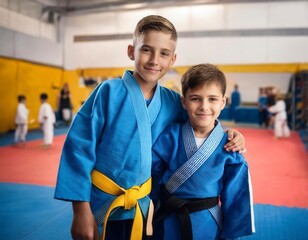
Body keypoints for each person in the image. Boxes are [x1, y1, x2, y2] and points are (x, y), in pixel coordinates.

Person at [54, 15, 246, 240]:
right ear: (131, 51)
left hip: (146, 210)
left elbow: (202, 121)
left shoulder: (174, 102)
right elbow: (78, 149)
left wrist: (229, 135)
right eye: (146, 50)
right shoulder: (107, 93)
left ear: (172, 59)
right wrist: (80, 209)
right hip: (101, 205)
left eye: (164, 53)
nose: (155, 60)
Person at [152, 64, 255, 240]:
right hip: (167, 219)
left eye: (212, 99)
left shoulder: (230, 148)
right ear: (184, 102)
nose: (204, 106)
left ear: (223, 102)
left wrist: (230, 236)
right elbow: (151, 179)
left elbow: (237, 197)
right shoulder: (170, 136)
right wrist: (147, 214)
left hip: (207, 223)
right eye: (195, 99)